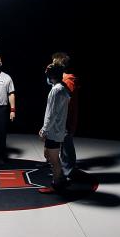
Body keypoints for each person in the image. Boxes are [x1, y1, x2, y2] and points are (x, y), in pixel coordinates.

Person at [38, 62, 71, 193]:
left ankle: (57, 184)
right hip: (56, 129)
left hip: (53, 130)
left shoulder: (56, 90)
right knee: (48, 154)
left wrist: (44, 130)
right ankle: (61, 178)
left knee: (54, 159)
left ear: (50, 75)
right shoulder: (61, 88)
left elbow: (52, 113)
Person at [52, 52, 79, 180]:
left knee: (67, 146)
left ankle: (68, 174)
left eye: (53, 62)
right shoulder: (61, 80)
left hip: (66, 119)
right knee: (63, 146)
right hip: (61, 119)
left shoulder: (68, 81)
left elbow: (67, 102)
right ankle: (62, 171)